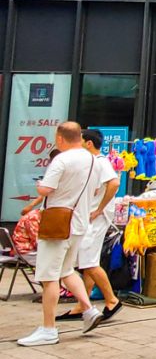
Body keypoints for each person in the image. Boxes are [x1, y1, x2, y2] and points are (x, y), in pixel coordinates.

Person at [18, 122, 104, 347]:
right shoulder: (94, 161)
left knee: (49, 277)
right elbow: (97, 189)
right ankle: (89, 310)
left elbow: (46, 189)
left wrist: (40, 185)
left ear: (60, 138)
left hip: (58, 225)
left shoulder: (62, 159)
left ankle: (48, 329)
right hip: (79, 224)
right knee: (66, 270)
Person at [56, 130, 122, 322]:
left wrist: (99, 209)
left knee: (89, 262)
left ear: (89, 143)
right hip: (90, 217)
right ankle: (83, 304)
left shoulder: (100, 162)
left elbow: (114, 183)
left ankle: (112, 300)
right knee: (87, 261)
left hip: (95, 219)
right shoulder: (92, 163)